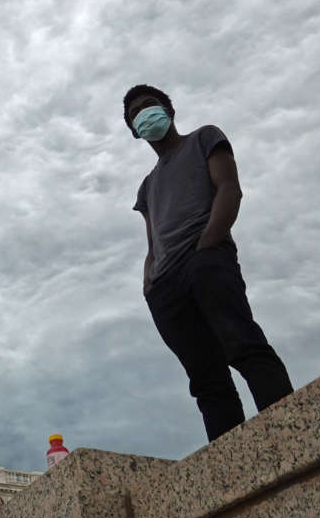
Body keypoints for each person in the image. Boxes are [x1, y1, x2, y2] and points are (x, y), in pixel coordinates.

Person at [124, 84, 293, 443]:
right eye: (135, 113)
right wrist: (149, 281)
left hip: (206, 260)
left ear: (169, 110)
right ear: (134, 130)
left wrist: (208, 244)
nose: (144, 113)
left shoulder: (204, 139)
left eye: (150, 105)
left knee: (242, 343)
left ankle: (290, 432)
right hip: (165, 287)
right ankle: (229, 462)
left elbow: (229, 189)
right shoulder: (147, 185)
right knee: (205, 378)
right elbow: (152, 240)